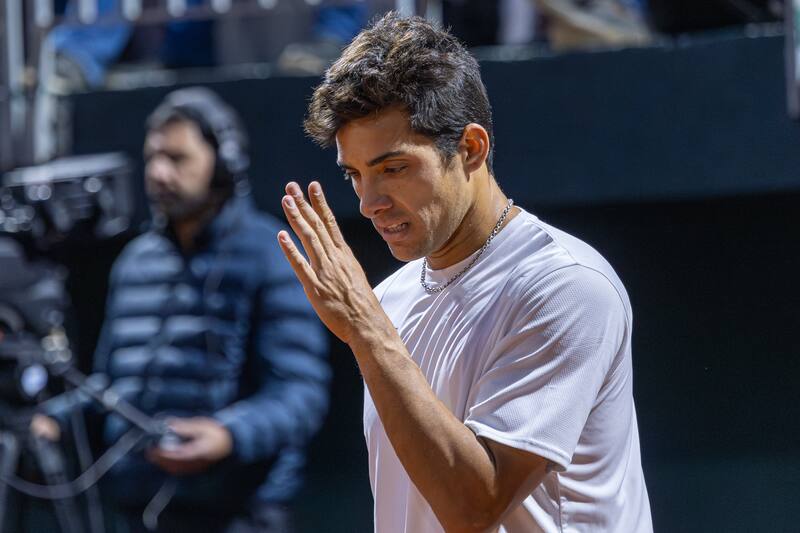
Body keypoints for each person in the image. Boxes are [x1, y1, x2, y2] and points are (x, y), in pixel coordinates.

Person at [277, 12, 652, 532]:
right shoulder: (389, 300)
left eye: (393, 168)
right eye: (355, 174)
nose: (368, 203)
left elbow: (474, 507)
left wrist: (367, 333)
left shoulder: (566, 285)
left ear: (471, 149)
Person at [32, 87, 329, 532]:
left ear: (225, 164)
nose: (158, 172)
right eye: (152, 157)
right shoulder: (134, 261)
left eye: (177, 158)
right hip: (139, 511)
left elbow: (300, 394)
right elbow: (114, 386)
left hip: (238, 515)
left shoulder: (273, 254)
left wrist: (228, 435)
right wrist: (52, 421)